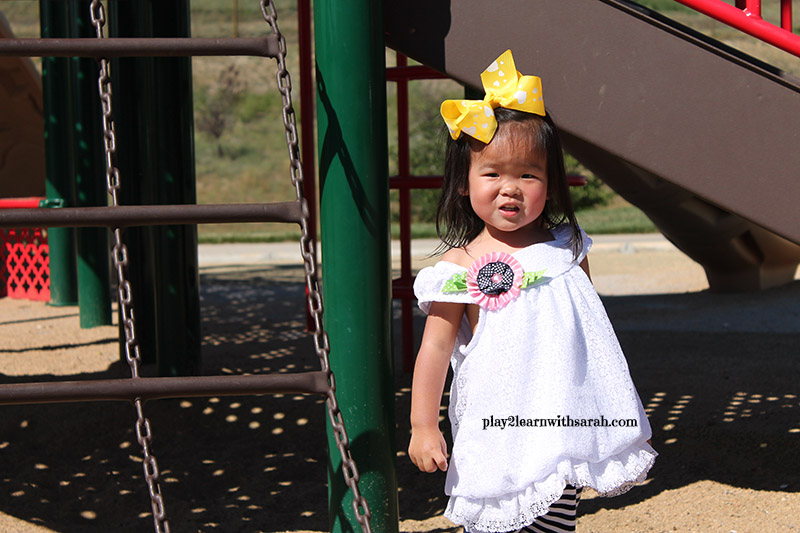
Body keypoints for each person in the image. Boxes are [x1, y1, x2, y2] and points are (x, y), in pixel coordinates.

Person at [408, 50, 657, 533]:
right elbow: (435, 349)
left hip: (559, 418)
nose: (511, 188)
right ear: (463, 182)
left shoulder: (566, 248)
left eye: (528, 174)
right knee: (496, 513)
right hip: (495, 424)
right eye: (492, 173)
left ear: (550, 181)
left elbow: (587, 331)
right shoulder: (458, 268)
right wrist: (423, 424)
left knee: (554, 519)